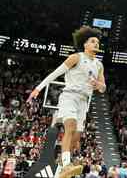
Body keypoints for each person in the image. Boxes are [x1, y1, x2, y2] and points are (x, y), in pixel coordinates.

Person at [27, 26, 106, 178]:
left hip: (84, 101)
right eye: (93, 41)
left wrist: (99, 85)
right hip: (69, 97)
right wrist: (38, 88)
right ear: (85, 44)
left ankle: (60, 165)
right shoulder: (76, 57)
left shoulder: (98, 65)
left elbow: (103, 88)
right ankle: (66, 163)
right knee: (69, 127)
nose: (96, 44)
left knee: (76, 140)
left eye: (97, 42)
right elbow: (55, 74)